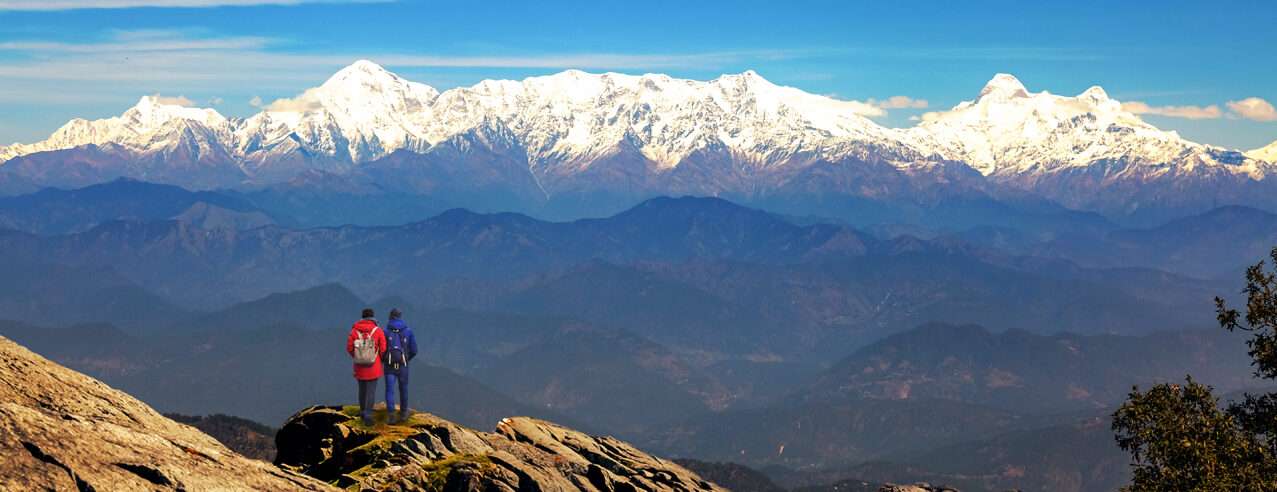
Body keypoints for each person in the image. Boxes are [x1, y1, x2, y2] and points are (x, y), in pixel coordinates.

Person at [346, 308, 386, 425]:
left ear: (362, 317)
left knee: (362, 390)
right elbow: (383, 349)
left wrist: (357, 357)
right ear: (373, 317)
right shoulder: (378, 331)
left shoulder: (354, 331)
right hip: (374, 366)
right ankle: (368, 415)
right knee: (371, 391)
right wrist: (379, 359)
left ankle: (363, 411)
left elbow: (349, 348)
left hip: (359, 367)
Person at [383, 308, 418, 424]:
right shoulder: (408, 331)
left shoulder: (386, 331)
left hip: (389, 366)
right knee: (403, 389)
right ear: (400, 316)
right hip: (403, 365)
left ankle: (391, 415)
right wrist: (406, 359)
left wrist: (385, 359)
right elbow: (414, 350)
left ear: (390, 317)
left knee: (390, 390)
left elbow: (382, 349)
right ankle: (403, 413)